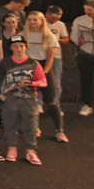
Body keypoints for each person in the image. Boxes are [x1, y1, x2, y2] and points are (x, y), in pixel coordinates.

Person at [0, 35, 47, 165]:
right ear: (10, 48)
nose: (19, 49)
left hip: (29, 98)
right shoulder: (5, 63)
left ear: (26, 47)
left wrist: (31, 83)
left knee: (30, 125)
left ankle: (31, 151)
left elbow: (43, 81)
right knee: (9, 124)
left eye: (21, 46)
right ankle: (11, 147)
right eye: (15, 46)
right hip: (10, 98)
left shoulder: (33, 63)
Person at [23, 12, 67, 142]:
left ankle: (59, 132)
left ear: (41, 21)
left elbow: (50, 58)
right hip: (28, 68)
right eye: (30, 19)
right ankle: (34, 127)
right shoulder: (23, 35)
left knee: (52, 101)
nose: (32, 22)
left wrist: (43, 73)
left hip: (44, 69)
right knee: (30, 101)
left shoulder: (49, 36)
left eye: (35, 20)